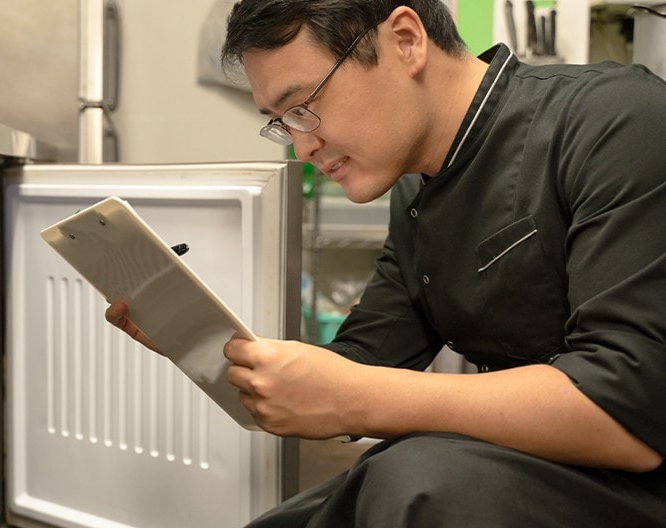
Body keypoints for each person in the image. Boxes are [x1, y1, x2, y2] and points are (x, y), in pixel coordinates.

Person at [107, 0, 666, 525]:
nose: (301, 148)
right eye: (281, 122)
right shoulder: (415, 192)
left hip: (635, 480)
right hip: (530, 466)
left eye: (304, 107)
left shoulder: (615, 120)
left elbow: (626, 410)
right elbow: (364, 358)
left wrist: (352, 395)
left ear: (405, 40)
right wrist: (203, 340)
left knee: (414, 476)